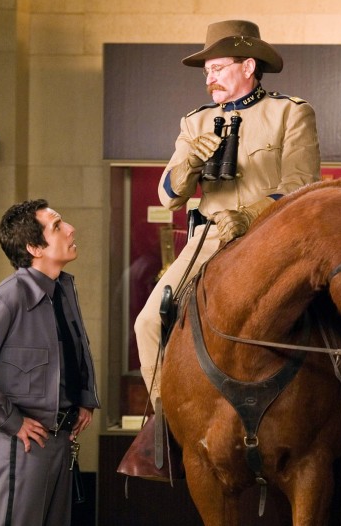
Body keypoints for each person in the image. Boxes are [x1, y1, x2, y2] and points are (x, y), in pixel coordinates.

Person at [133, 18, 321, 466]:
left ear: (248, 65)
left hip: (276, 238)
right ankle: (166, 428)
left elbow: (301, 186)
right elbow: (167, 195)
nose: (210, 77)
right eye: (206, 71)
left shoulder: (290, 112)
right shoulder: (194, 122)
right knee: (148, 323)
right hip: (210, 237)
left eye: (218, 67)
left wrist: (252, 216)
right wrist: (188, 166)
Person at [0, 199, 100, 526]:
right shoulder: (4, 299)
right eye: (57, 226)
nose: (70, 229)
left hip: (61, 437)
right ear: (34, 247)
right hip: (25, 444)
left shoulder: (63, 290)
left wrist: (84, 400)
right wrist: (12, 421)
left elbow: (74, 352)